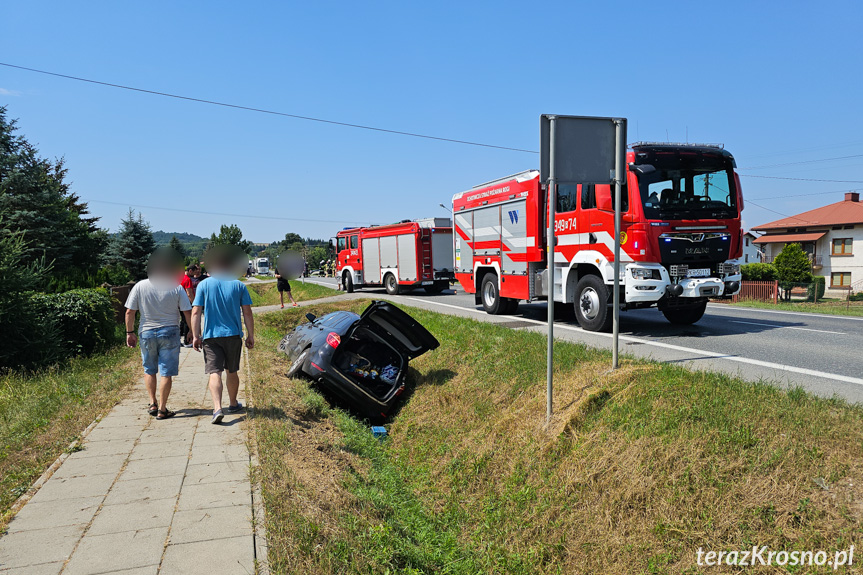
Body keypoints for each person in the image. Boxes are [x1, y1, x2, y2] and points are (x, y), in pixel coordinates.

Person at [125, 258, 192, 421]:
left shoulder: (140, 286)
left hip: (147, 332)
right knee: (166, 373)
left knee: (149, 369)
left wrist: (130, 332)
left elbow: (129, 312)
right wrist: (192, 331)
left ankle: (152, 402)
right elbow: (187, 311)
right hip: (170, 331)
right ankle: (162, 409)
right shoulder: (176, 286)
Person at [191, 251, 255, 424]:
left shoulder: (204, 285)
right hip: (233, 335)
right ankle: (233, 404)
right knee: (232, 370)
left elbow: (196, 311)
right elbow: (247, 312)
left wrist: (195, 335)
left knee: (214, 372)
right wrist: (251, 335)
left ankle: (217, 408)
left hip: (211, 336)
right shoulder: (238, 285)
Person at [179, 264, 203, 346]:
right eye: (195, 272)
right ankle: (187, 341)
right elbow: (189, 294)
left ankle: (179, 338)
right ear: (190, 271)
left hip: (177, 303)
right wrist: (194, 304)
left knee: (182, 320)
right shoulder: (187, 279)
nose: (195, 274)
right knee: (187, 321)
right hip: (186, 303)